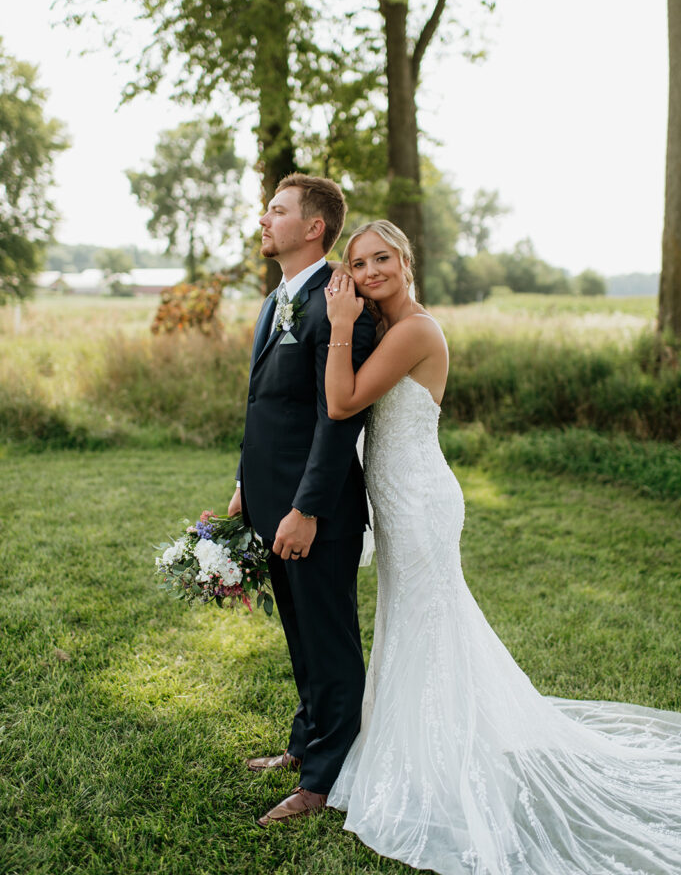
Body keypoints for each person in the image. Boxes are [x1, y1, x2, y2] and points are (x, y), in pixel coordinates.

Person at [322, 219, 681, 875]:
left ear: (405, 261)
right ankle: (418, 743)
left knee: (428, 623)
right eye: (358, 263)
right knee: (413, 621)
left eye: (381, 258)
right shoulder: (388, 327)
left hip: (420, 501)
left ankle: (437, 759)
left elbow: (342, 402)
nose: (370, 272)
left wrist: (340, 323)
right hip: (397, 500)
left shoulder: (414, 331)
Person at [227, 173, 376, 829]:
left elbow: (337, 419)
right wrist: (244, 482)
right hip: (269, 500)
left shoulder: (340, 305)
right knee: (299, 633)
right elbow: (261, 404)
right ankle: (303, 743)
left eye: (277, 210)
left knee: (329, 640)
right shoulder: (276, 300)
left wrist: (306, 508)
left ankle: (324, 778)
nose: (264, 219)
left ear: (314, 227)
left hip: (316, 512)